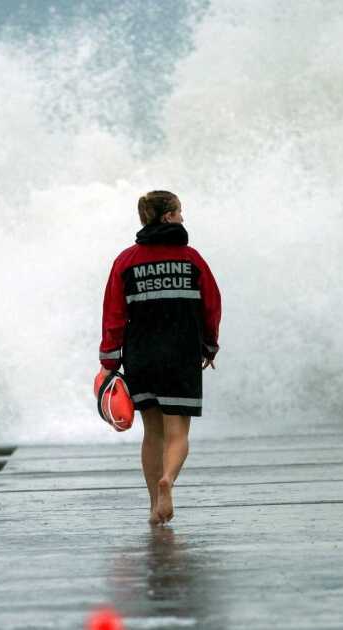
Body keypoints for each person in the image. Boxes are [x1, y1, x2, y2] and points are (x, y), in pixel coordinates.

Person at [98, 191, 221, 525]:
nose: (183, 216)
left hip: (141, 355)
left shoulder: (126, 261)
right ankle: (168, 479)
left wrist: (109, 361)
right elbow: (211, 306)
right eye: (179, 211)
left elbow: (113, 314)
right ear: (167, 217)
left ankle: (155, 501)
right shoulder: (192, 260)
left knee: (152, 432)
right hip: (182, 352)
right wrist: (209, 346)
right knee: (178, 434)